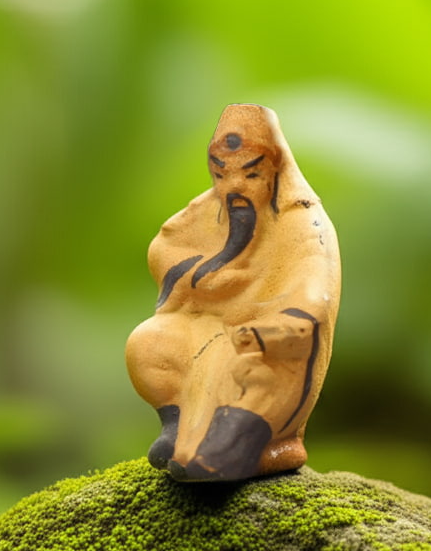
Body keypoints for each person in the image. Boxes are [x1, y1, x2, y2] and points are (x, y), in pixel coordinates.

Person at [125, 103, 341, 481]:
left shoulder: (305, 223)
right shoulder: (210, 210)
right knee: (149, 342)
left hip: (268, 343)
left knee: (252, 369)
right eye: (222, 175)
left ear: (274, 170)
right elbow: (166, 246)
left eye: (250, 173)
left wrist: (269, 327)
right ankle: (179, 428)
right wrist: (204, 279)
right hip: (209, 332)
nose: (234, 187)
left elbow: (313, 297)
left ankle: (241, 444)